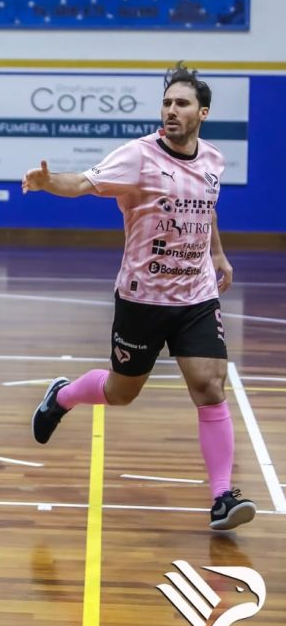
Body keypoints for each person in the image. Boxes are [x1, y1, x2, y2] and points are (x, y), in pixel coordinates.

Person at [21, 62, 256, 531]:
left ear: (202, 113)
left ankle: (222, 498)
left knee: (210, 387)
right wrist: (49, 183)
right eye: (167, 102)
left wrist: (218, 254)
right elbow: (83, 183)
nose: (171, 110)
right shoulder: (138, 156)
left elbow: (206, 208)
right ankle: (62, 396)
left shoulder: (213, 160)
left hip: (196, 296)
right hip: (143, 298)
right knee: (120, 392)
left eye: (182, 103)